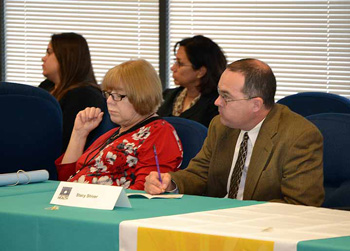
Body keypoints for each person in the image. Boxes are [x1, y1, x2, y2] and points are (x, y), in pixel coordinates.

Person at [145, 58, 325, 206]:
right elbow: (199, 174)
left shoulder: (299, 136)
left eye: (226, 97)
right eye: (218, 94)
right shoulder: (221, 125)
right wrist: (170, 183)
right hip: (217, 220)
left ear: (256, 104)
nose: (217, 102)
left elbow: (301, 205)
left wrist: (240, 213)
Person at [55, 59, 183, 190]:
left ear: (141, 96)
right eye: (108, 94)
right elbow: (66, 179)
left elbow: (147, 192)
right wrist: (79, 134)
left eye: (117, 95)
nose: (109, 101)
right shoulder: (112, 134)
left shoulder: (159, 133)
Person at [41, 32, 106, 152]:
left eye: (49, 52)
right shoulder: (46, 86)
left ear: (66, 56)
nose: (43, 58)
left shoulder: (84, 96)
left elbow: (63, 142)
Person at [157, 35, 227, 127]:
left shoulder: (217, 105)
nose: (173, 68)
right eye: (175, 61)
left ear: (201, 72)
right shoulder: (167, 96)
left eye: (180, 63)